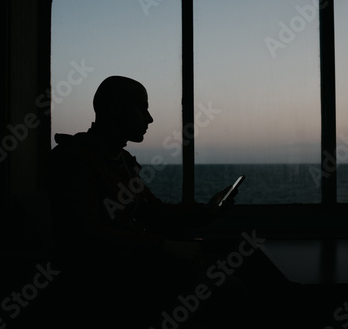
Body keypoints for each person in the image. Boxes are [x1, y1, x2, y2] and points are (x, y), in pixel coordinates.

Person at [47, 76, 241, 328]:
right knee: (231, 290)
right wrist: (162, 246)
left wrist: (207, 211)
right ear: (117, 109)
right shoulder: (73, 159)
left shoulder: (121, 161)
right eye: (142, 108)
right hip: (108, 283)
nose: (149, 118)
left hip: (134, 270)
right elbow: (84, 234)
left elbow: (153, 210)